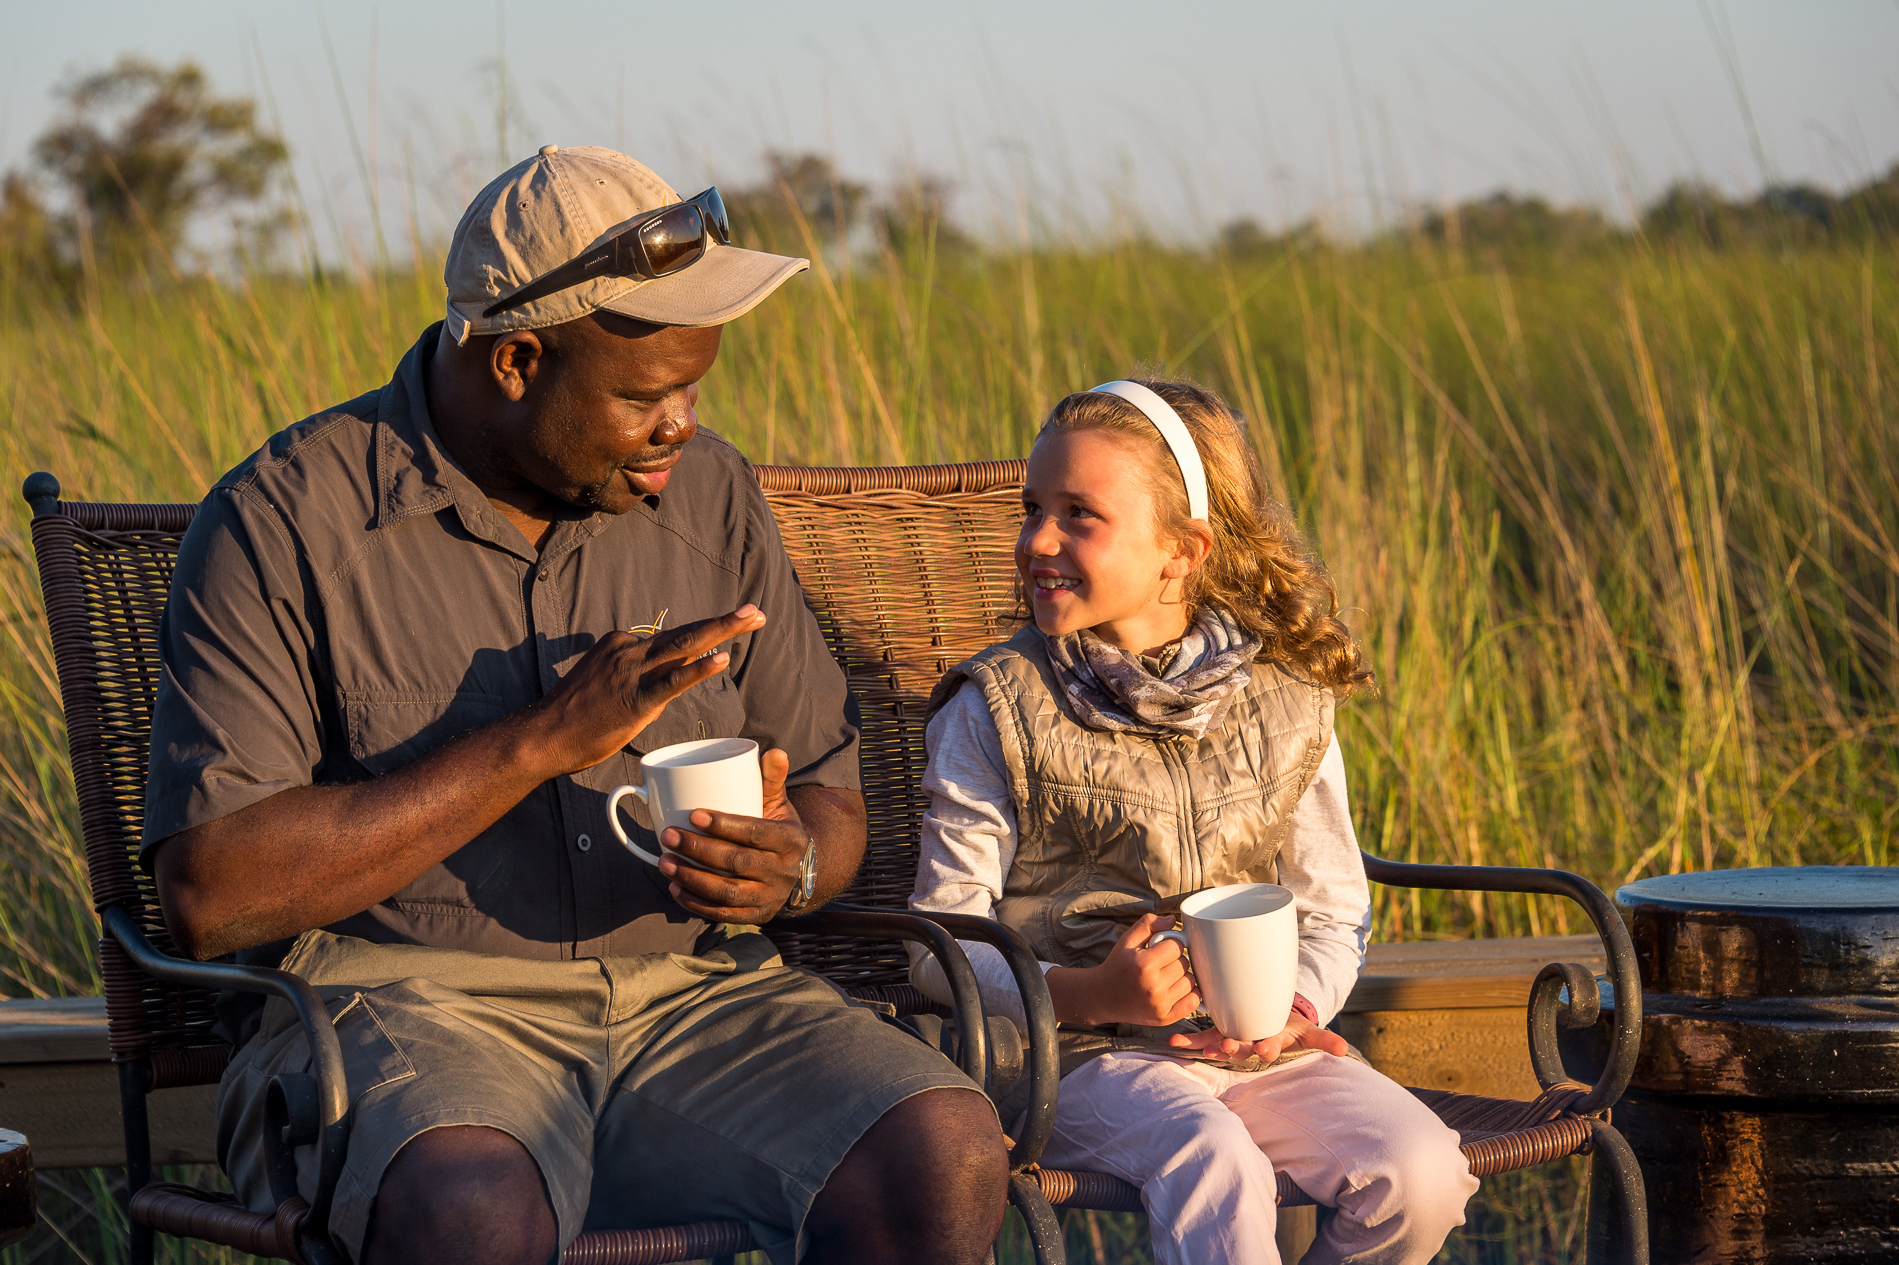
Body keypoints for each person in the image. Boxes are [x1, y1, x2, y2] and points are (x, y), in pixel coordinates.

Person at [143, 145, 1005, 1265]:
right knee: (467, 1204)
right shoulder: (284, 520)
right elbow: (213, 893)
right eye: (646, 395)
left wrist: (789, 867)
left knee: (938, 1146)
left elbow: (832, 801)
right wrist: (536, 743)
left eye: (696, 387)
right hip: (405, 1013)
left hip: (696, 1005)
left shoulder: (712, 496)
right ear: (515, 360)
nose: (682, 425)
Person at [908, 378, 1480, 1263]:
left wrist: (1291, 1006)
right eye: (1032, 509)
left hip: (1254, 1050)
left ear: (1182, 551)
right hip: (1069, 1059)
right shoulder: (996, 708)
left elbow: (1331, 910)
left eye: (1078, 514)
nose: (1037, 541)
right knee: (1215, 1162)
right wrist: (1092, 992)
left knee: (1420, 1169)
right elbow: (935, 945)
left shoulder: (1286, 697)